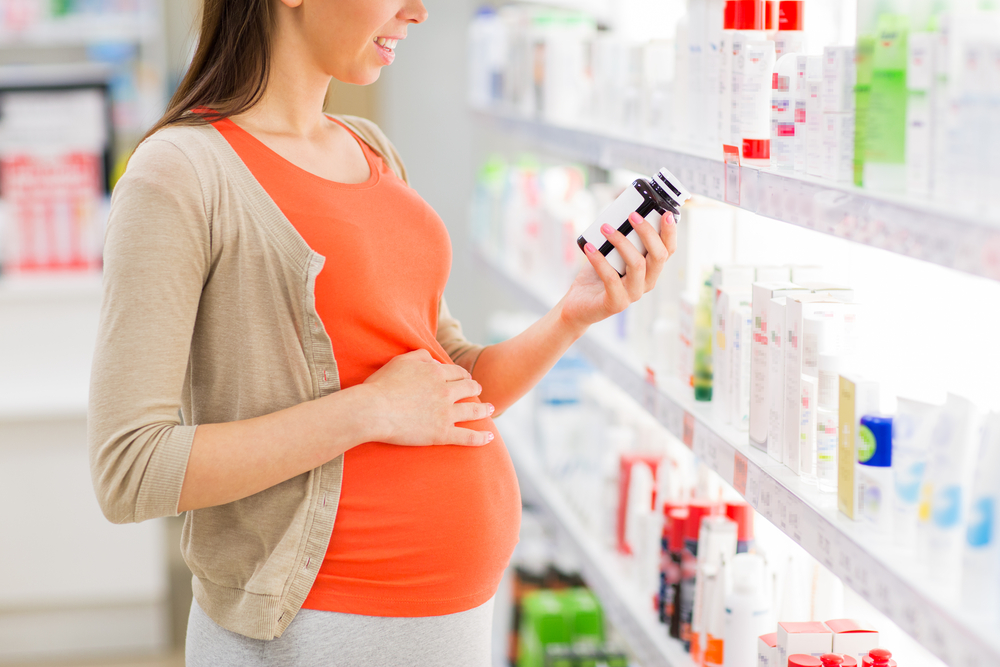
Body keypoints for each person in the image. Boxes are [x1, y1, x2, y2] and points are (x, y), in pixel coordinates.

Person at [87, 0, 678, 665]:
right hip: (316, 632)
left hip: (450, 623)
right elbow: (130, 468)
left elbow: (447, 386)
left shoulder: (372, 150)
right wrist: (367, 410)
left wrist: (573, 313)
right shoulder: (179, 172)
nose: (419, 11)